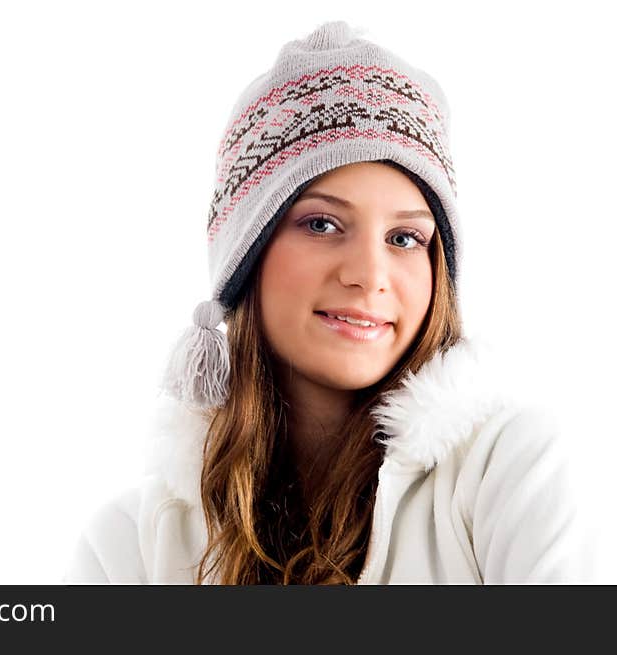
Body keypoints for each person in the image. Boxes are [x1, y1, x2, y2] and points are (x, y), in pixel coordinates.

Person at [63, 21, 595, 584]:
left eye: (405, 238)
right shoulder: (130, 545)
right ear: (247, 255)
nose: (369, 276)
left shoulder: (511, 468)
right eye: (322, 224)